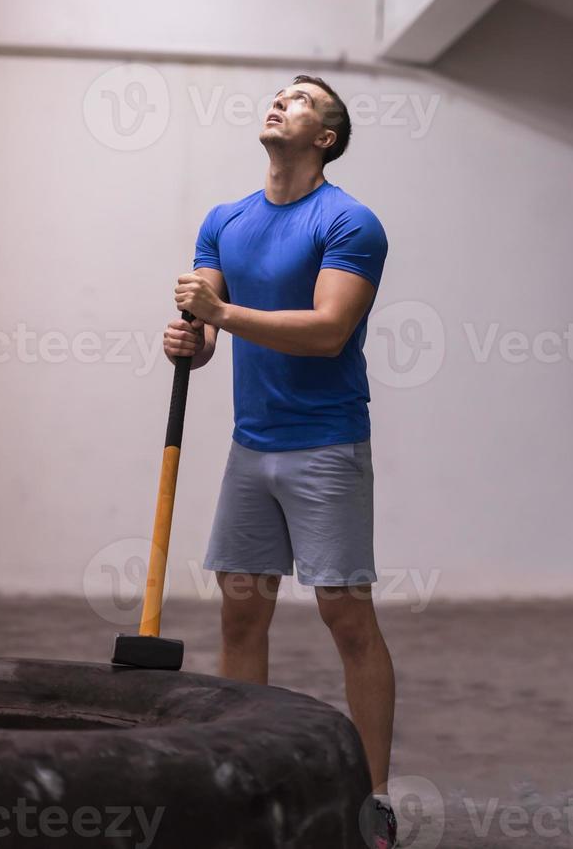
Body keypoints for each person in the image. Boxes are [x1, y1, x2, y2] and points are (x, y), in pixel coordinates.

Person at [164, 74, 398, 849]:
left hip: (326, 444)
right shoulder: (224, 220)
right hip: (250, 445)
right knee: (241, 607)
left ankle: (374, 800)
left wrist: (220, 316)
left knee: (344, 613)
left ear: (325, 137)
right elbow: (203, 338)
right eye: (279, 96)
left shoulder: (350, 221)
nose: (280, 103)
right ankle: (247, 782)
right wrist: (189, 343)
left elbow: (329, 329)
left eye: (300, 102)